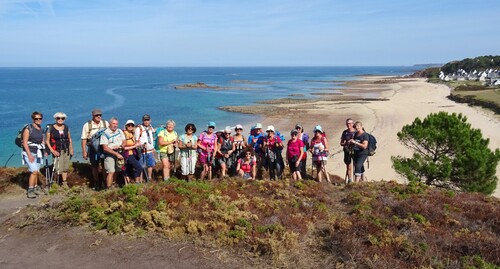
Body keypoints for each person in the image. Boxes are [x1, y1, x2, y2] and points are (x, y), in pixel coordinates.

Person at [81, 108, 109, 189]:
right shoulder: (87, 125)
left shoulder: (105, 123)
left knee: (104, 165)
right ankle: (96, 182)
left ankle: (104, 181)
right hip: (92, 149)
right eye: (97, 115)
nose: (98, 116)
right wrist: (84, 151)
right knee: (94, 166)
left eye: (100, 115)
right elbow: (83, 139)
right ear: (93, 115)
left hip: (104, 147)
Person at [22, 112, 46, 198]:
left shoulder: (41, 129)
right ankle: (30, 190)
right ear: (33, 119)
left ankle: (36, 188)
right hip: (29, 152)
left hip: (38, 152)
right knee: (34, 171)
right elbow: (25, 143)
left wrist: (45, 150)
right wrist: (29, 155)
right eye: (36, 119)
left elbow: (42, 141)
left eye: (40, 118)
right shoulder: (28, 129)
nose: (38, 120)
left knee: (36, 171)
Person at [46, 112, 73, 188]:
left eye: (62, 118)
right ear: (55, 118)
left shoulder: (66, 127)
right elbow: (47, 141)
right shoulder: (51, 128)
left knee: (65, 167)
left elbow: (69, 138)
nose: (60, 120)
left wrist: (71, 148)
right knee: (57, 167)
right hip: (56, 150)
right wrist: (52, 150)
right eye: (58, 118)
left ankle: (64, 182)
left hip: (66, 149)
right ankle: (55, 182)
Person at [100, 117, 125, 189]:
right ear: (109, 124)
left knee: (116, 171)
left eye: (116, 124)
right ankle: (108, 187)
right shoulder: (105, 134)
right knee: (111, 171)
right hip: (109, 155)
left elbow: (124, 141)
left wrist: (121, 146)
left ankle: (113, 184)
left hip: (119, 153)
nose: (115, 125)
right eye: (113, 123)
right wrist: (116, 154)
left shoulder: (119, 131)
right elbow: (105, 147)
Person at [135, 114, 156, 182]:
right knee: (141, 166)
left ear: (150, 120)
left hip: (150, 150)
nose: (146, 121)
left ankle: (149, 178)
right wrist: (141, 145)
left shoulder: (150, 128)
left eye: (148, 120)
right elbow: (136, 140)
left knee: (150, 165)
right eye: (145, 120)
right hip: (142, 150)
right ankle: (141, 180)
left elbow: (153, 134)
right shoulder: (139, 128)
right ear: (142, 121)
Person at [121, 120, 142, 184]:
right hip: (127, 154)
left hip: (133, 154)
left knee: (128, 169)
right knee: (139, 167)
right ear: (126, 126)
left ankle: (128, 184)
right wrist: (134, 146)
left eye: (132, 125)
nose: (130, 126)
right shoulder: (123, 134)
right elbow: (123, 147)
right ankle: (137, 182)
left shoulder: (132, 133)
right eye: (129, 125)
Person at [340, 118, 357, 183]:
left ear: (352, 124)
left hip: (355, 150)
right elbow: (341, 143)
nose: (348, 125)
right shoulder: (345, 132)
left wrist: (353, 142)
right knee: (348, 166)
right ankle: (350, 180)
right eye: (347, 124)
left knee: (356, 165)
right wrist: (345, 143)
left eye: (350, 123)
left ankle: (357, 181)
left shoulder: (356, 132)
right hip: (347, 150)